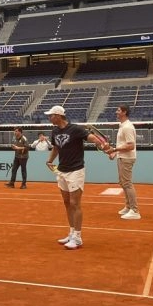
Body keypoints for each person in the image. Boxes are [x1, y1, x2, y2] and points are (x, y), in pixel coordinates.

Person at [44, 106, 110, 250]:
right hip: (61, 171)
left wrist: (102, 143)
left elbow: (91, 137)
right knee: (67, 202)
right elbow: (56, 148)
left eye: (51, 115)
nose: (49, 118)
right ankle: (72, 232)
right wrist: (50, 161)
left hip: (76, 171)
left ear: (58, 116)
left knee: (75, 203)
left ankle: (78, 238)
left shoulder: (76, 129)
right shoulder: (54, 131)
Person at [107, 105, 140, 220]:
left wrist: (115, 150)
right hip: (121, 157)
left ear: (124, 112)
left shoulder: (127, 127)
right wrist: (115, 153)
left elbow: (131, 146)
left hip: (127, 158)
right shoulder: (122, 126)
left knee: (127, 183)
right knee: (123, 183)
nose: (116, 112)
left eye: (119, 110)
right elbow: (123, 144)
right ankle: (128, 206)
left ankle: (135, 210)